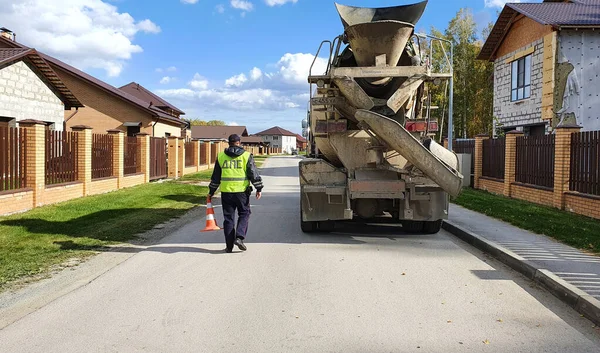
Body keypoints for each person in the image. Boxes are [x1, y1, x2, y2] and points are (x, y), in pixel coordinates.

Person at [208, 134, 263, 253]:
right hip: (242, 192)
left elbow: (216, 177)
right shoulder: (246, 155)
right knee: (244, 213)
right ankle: (239, 237)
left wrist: (211, 192)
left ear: (229, 143)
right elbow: (252, 173)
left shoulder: (221, 156)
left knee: (228, 219)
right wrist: (258, 188)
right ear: (239, 142)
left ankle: (229, 247)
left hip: (226, 192)